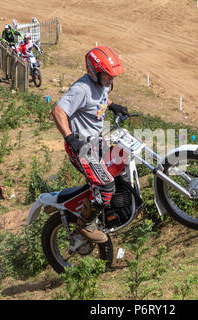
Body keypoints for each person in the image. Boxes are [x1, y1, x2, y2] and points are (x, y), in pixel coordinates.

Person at [51, 46, 129, 243]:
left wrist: (112, 106)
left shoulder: (101, 84)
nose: (111, 80)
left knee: (124, 162)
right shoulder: (81, 88)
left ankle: (114, 209)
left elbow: (99, 97)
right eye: (107, 76)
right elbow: (58, 112)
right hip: (81, 147)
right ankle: (85, 223)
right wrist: (70, 138)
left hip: (97, 142)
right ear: (94, 72)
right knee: (105, 185)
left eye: (112, 77)